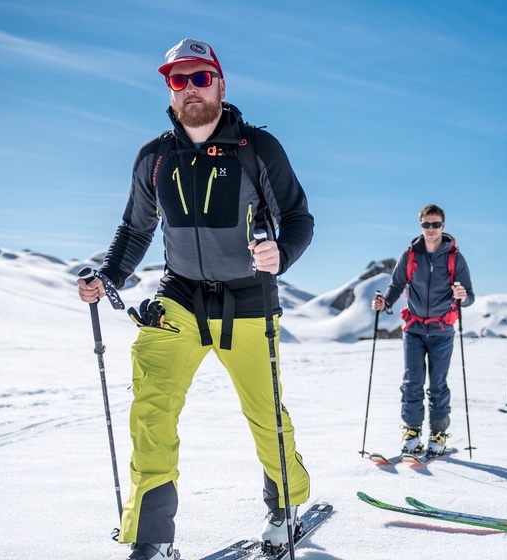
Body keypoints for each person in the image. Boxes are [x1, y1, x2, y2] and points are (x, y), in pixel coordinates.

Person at [77, 38, 314, 560]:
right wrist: (108, 275)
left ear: (221, 84)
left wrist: (283, 252)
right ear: (169, 88)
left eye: (200, 77)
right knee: (151, 410)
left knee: (265, 415)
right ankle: (152, 534)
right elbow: (135, 230)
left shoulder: (256, 149)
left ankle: (286, 505)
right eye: (178, 79)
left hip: (249, 300)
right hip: (178, 299)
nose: (190, 88)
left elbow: (298, 218)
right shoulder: (155, 158)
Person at [371, 204, 474, 456]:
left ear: (443, 226)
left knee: (437, 385)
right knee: (412, 382)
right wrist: (385, 302)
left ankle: (438, 433)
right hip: (414, 329)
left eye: (435, 224)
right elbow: (396, 285)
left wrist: (462, 295)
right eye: (426, 224)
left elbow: (469, 295)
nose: (431, 229)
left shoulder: (455, 258)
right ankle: (412, 431)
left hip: (442, 330)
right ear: (421, 226)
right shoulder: (410, 256)